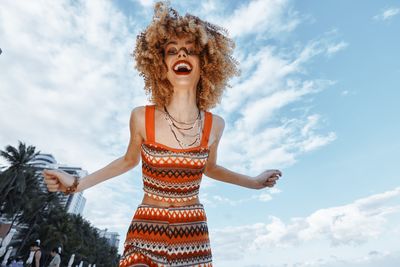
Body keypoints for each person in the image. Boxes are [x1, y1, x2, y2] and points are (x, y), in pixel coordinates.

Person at [43, 1, 282, 266]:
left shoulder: (216, 125)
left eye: (190, 51)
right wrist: (75, 184)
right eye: (172, 51)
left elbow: (211, 168)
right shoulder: (140, 117)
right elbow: (126, 161)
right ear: (161, 65)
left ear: (205, 65)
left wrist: (254, 182)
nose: (181, 55)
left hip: (192, 231)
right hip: (147, 223)